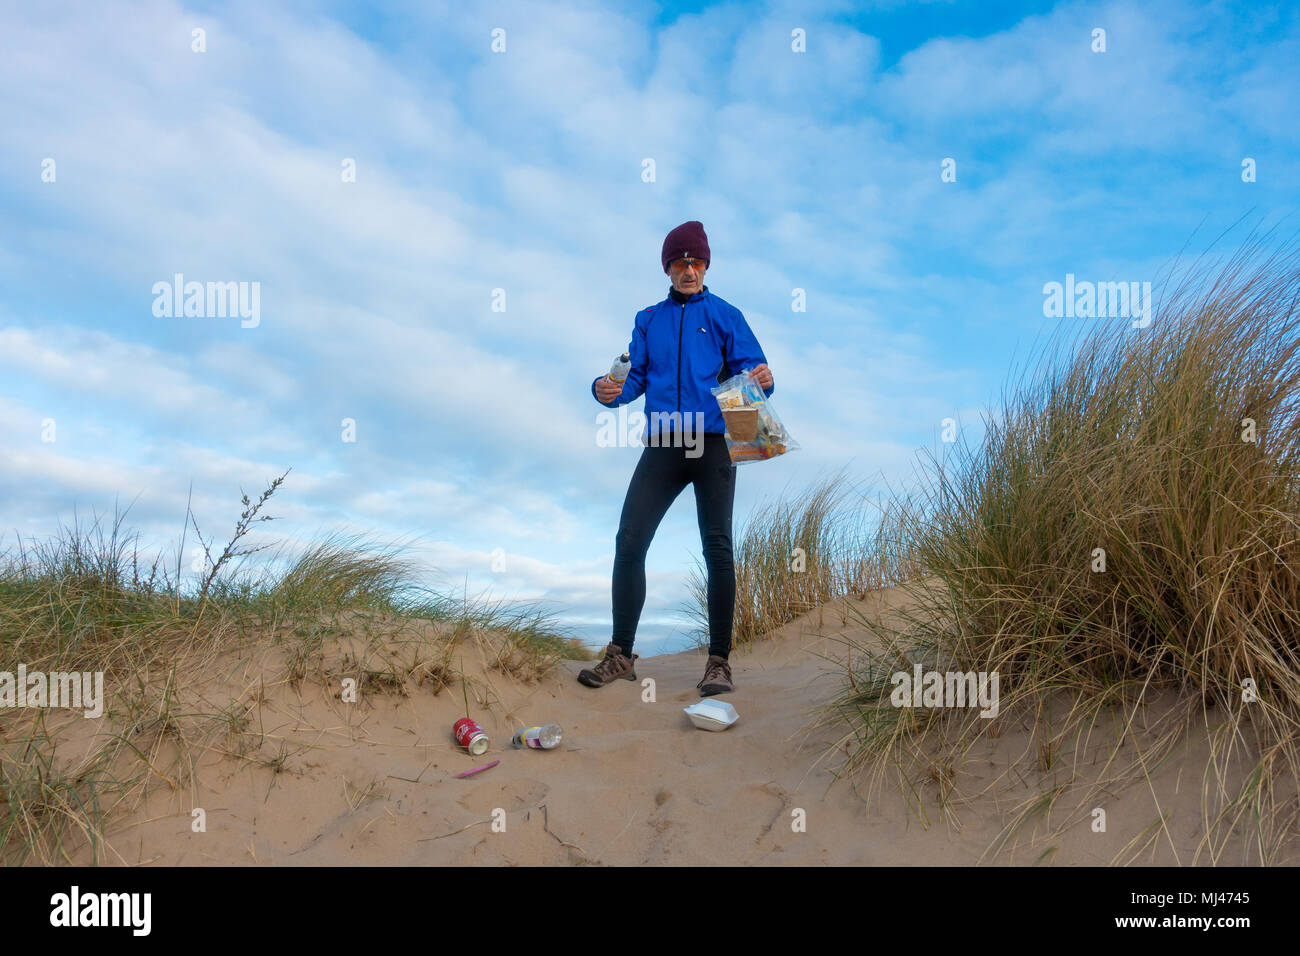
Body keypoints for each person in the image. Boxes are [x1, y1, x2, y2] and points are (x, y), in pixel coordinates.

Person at [579, 220, 775, 696]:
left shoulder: (727, 315)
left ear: (705, 266)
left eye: (696, 262)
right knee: (630, 539)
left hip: (712, 443)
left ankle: (718, 662)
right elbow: (634, 379)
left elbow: (754, 371)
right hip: (664, 444)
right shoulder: (648, 319)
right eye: (680, 262)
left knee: (718, 549)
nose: (689, 270)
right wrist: (606, 391)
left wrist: (765, 380)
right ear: (668, 267)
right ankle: (621, 654)